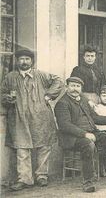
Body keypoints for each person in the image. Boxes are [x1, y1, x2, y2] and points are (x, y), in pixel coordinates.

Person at [54, 77, 106, 193]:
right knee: (88, 145)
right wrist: (85, 134)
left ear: (81, 88)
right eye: (72, 86)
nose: (75, 89)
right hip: (72, 138)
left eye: (78, 86)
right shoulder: (62, 103)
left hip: (91, 133)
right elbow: (65, 125)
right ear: (67, 87)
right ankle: (88, 182)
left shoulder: (83, 100)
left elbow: (95, 118)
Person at [0, 49, 64, 191]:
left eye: (27, 59)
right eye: (21, 59)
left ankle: (42, 176)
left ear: (31, 61)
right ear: (17, 61)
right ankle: (25, 179)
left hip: (40, 116)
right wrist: (7, 98)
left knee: (43, 146)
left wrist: (48, 95)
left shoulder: (40, 75)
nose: (24, 62)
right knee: (22, 148)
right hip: (19, 117)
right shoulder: (10, 77)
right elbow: (2, 93)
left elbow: (59, 81)